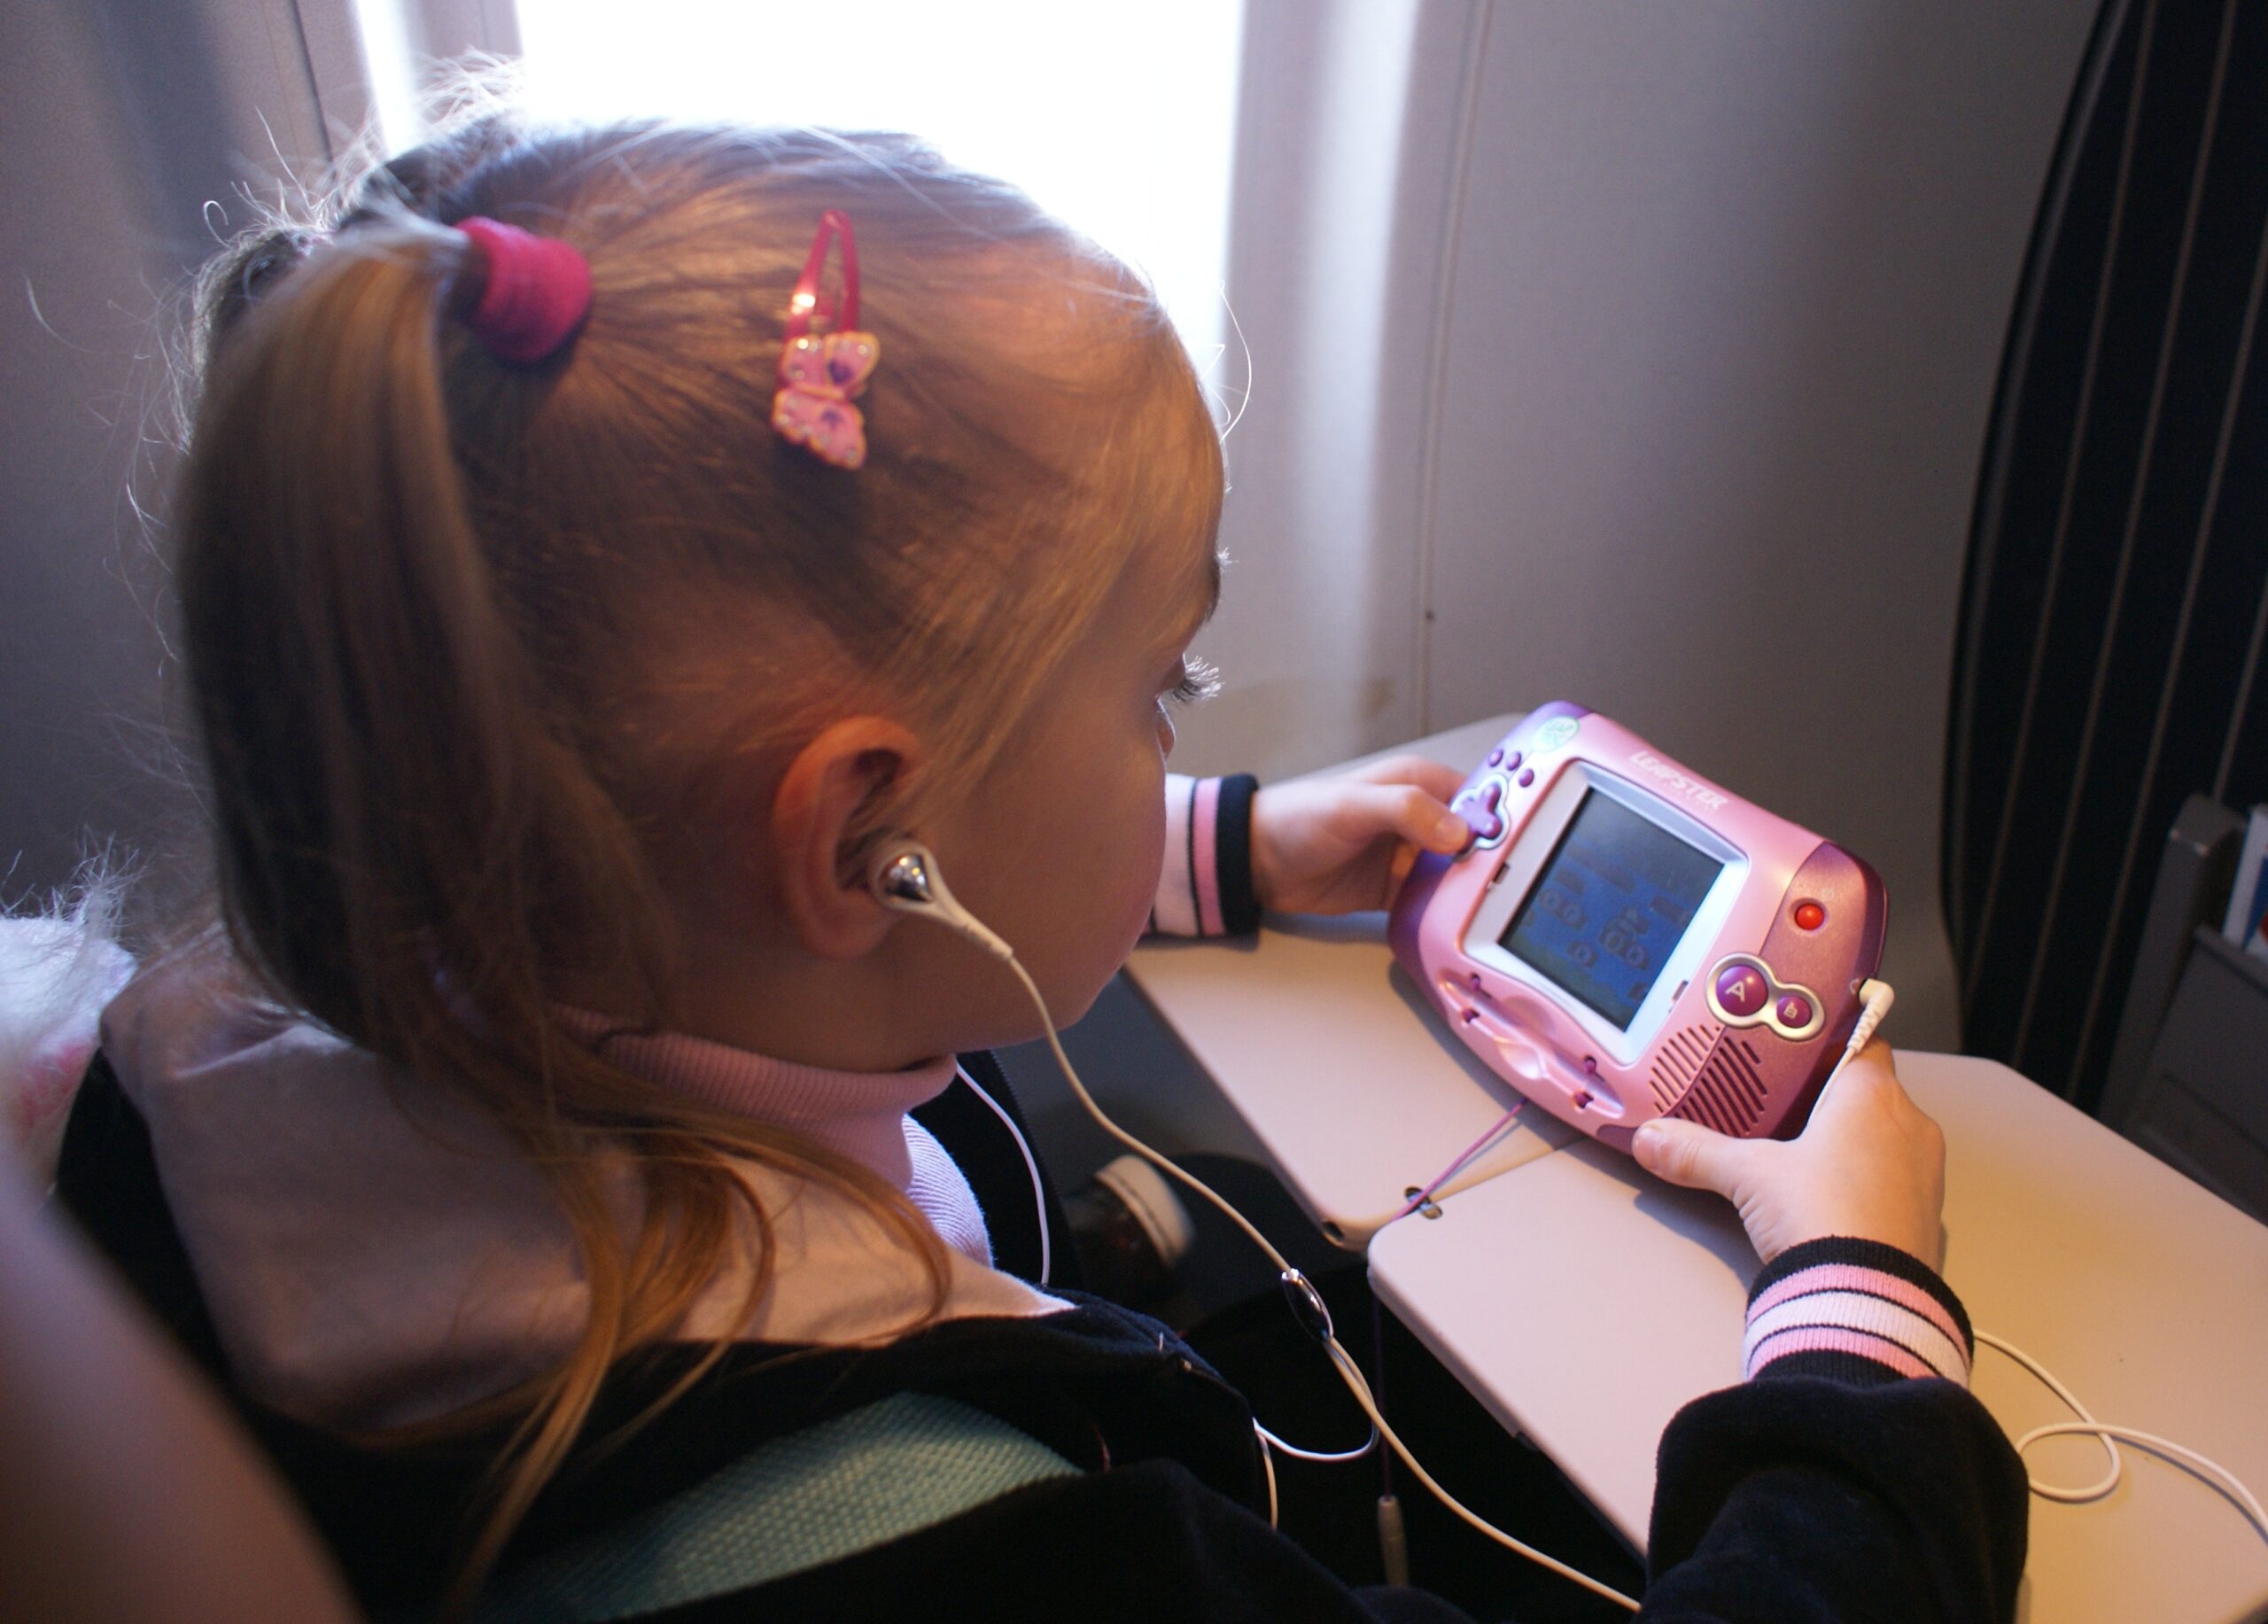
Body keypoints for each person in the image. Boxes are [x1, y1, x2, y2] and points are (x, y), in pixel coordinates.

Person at [56, 112, 2024, 1622]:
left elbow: (827, 880)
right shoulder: (966, 1560)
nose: (1184, 722)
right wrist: (1856, 1304)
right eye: (1160, 687)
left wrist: (1239, 843)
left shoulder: (307, 1019)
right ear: (865, 846)